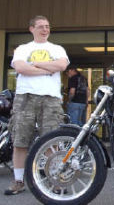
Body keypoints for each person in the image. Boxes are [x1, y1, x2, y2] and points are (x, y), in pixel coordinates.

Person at [4, 15, 69, 195]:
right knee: (20, 141)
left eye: (47, 26)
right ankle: (18, 181)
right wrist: (49, 67)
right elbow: (20, 68)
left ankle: (54, 181)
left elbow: (62, 65)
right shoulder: (23, 49)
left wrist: (36, 64)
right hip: (25, 98)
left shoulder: (57, 48)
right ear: (31, 28)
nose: (45, 30)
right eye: (41, 26)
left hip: (51, 99)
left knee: (51, 142)